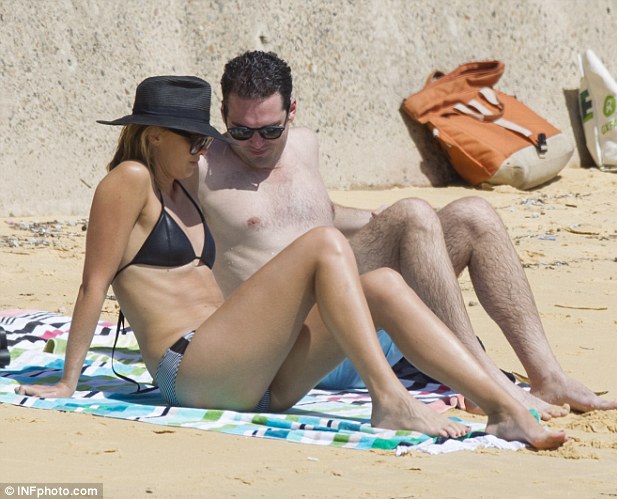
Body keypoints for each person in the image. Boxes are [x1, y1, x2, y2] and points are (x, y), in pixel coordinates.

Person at [13, 74, 567, 449]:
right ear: (155, 136)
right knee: (323, 245)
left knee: (384, 284)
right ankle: (390, 399)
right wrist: (68, 382)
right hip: (193, 371)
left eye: (206, 142)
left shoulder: (182, 188)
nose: (203, 152)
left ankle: (504, 408)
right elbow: (92, 285)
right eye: (195, 142)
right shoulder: (128, 180)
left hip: (254, 373)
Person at [191, 50, 617, 421]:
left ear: (292, 111)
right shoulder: (204, 169)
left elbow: (316, 216)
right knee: (413, 215)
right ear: (223, 116)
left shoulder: (304, 145)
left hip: (364, 322)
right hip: (297, 352)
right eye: (241, 131)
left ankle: (548, 376)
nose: (257, 143)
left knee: (473, 216)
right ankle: (484, 381)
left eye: (270, 130)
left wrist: (374, 219)